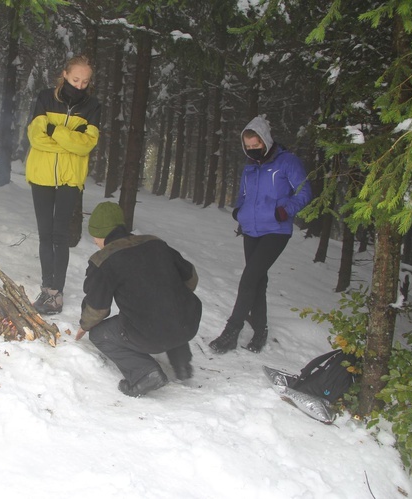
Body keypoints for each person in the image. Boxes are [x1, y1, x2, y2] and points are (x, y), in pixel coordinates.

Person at [75, 202, 203, 397]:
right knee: (168, 310)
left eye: (94, 236)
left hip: (151, 332)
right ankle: (182, 364)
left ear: (101, 234)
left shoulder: (103, 260)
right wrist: (174, 297)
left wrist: (85, 325)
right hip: (188, 323)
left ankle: (145, 373)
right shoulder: (155, 243)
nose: (94, 241)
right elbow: (191, 277)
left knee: (100, 335)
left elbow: (98, 308)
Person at [209, 116, 312, 355]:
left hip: (276, 229)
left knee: (248, 278)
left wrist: (284, 211)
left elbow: (305, 191)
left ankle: (231, 332)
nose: (253, 150)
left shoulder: (288, 162)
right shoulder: (250, 166)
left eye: (256, 145)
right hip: (252, 229)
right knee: (258, 280)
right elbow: (244, 195)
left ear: (266, 140)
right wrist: (239, 211)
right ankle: (260, 331)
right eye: (249, 147)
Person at [26, 55, 101, 315]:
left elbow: (87, 144)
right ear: (65, 75)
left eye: (85, 81)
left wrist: (56, 131)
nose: (80, 85)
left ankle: (56, 294)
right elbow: (36, 137)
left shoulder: (93, 105)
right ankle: (47, 289)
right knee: (45, 234)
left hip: (70, 179)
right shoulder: (46, 98)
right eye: (76, 79)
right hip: (41, 175)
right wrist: (71, 141)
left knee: (60, 236)